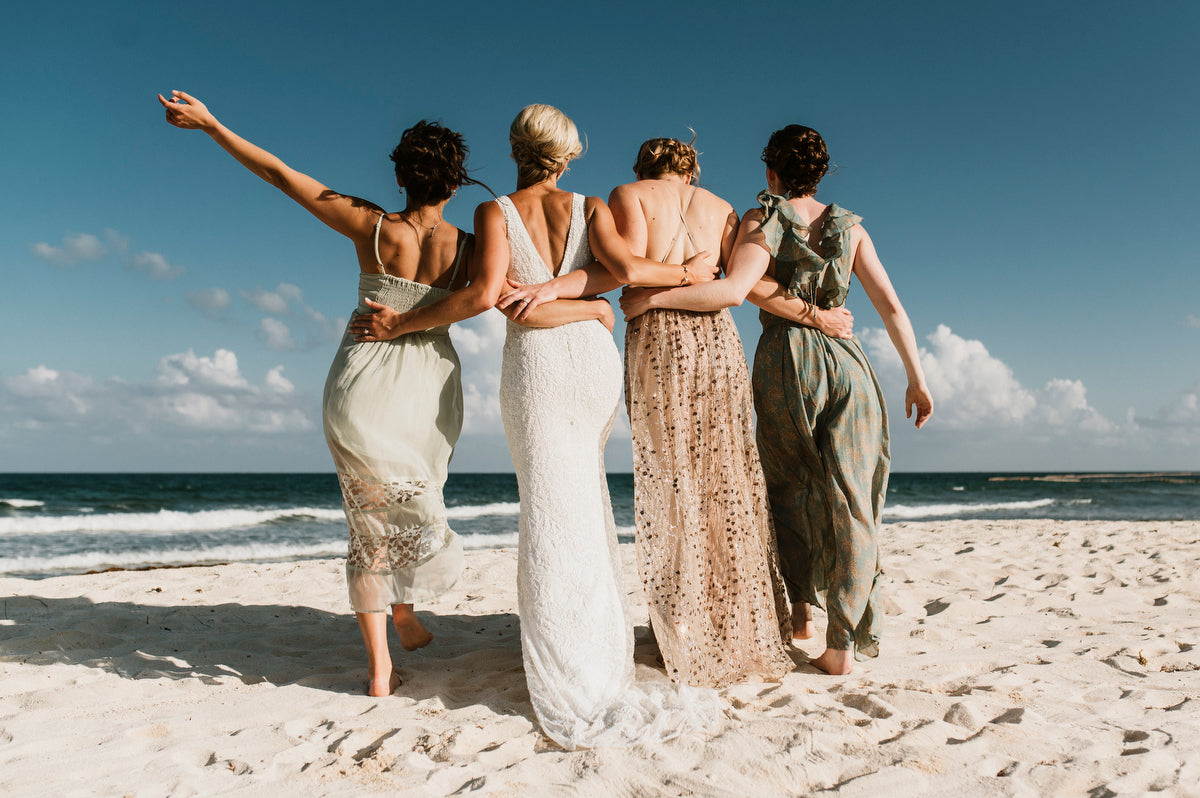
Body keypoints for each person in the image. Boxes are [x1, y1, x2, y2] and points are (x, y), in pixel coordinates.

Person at [158, 90, 485, 696]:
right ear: (456, 183)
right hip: (427, 386)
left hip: (361, 380)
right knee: (414, 499)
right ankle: (400, 623)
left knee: (368, 519)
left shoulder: (373, 224)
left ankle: (386, 655)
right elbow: (502, 293)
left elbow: (281, 174)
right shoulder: (469, 247)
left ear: (399, 175)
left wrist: (211, 124)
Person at [619, 125, 933, 675]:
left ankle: (801, 612)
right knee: (853, 500)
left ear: (771, 173)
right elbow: (892, 308)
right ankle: (841, 644)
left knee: (785, 489)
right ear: (821, 172)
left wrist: (654, 297)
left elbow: (737, 290)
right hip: (849, 364)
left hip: (786, 364)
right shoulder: (852, 229)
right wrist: (916, 377)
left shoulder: (760, 220)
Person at [472, 105, 723, 749]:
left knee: (550, 506)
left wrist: (565, 301)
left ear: (514, 148)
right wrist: (594, 309)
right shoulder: (590, 207)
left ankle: (572, 661)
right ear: (571, 152)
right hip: (589, 363)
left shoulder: (493, 212)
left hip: (540, 366)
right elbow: (622, 274)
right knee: (579, 498)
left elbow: (506, 302)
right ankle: (593, 644)